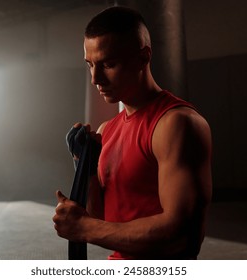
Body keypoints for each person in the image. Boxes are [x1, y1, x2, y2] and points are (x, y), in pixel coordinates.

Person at [53, 6, 212, 260]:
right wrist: (87, 169)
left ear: (143, 57)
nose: (96, 78)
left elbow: (182, 234)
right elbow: (103, 222)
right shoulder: (108, 130)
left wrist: (84, 227)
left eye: (109, 64)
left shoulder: (176, 123)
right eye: (90, 65)